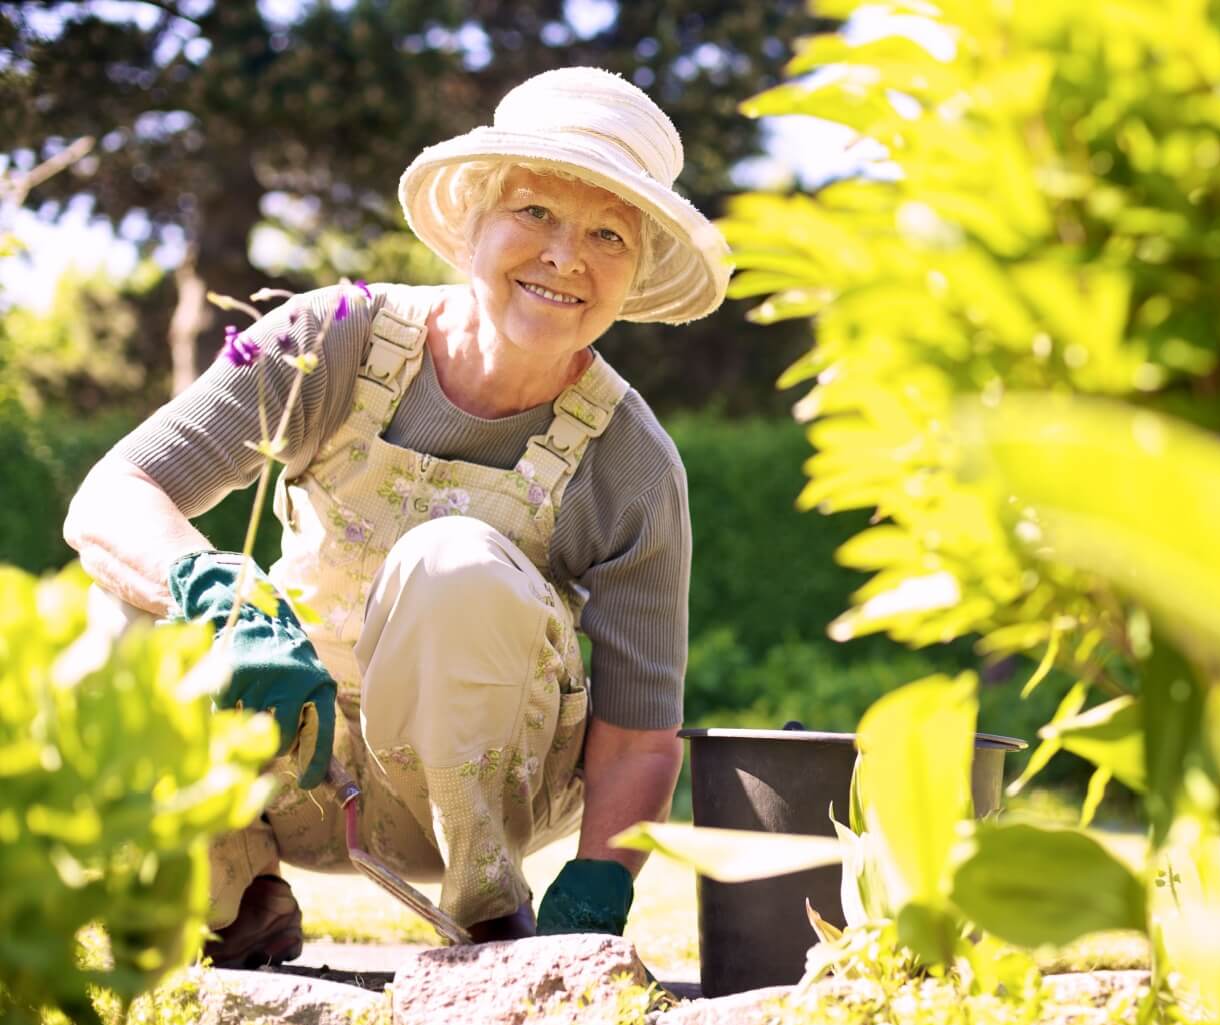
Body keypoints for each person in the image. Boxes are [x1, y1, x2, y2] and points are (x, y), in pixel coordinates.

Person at [63, 66, 730, 967]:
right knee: (118, 608)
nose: (566, 257)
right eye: (534, 213)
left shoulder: (630, 462)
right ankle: (233, 893)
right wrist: (218, 597)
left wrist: (601, 883)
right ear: (473, 225)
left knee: (454, 561)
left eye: (607, 234)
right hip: (284, 761)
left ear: (636, 269)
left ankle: (492, 917)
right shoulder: (326, 339)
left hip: (481, 800)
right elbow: (114, 496)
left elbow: (641, 734)